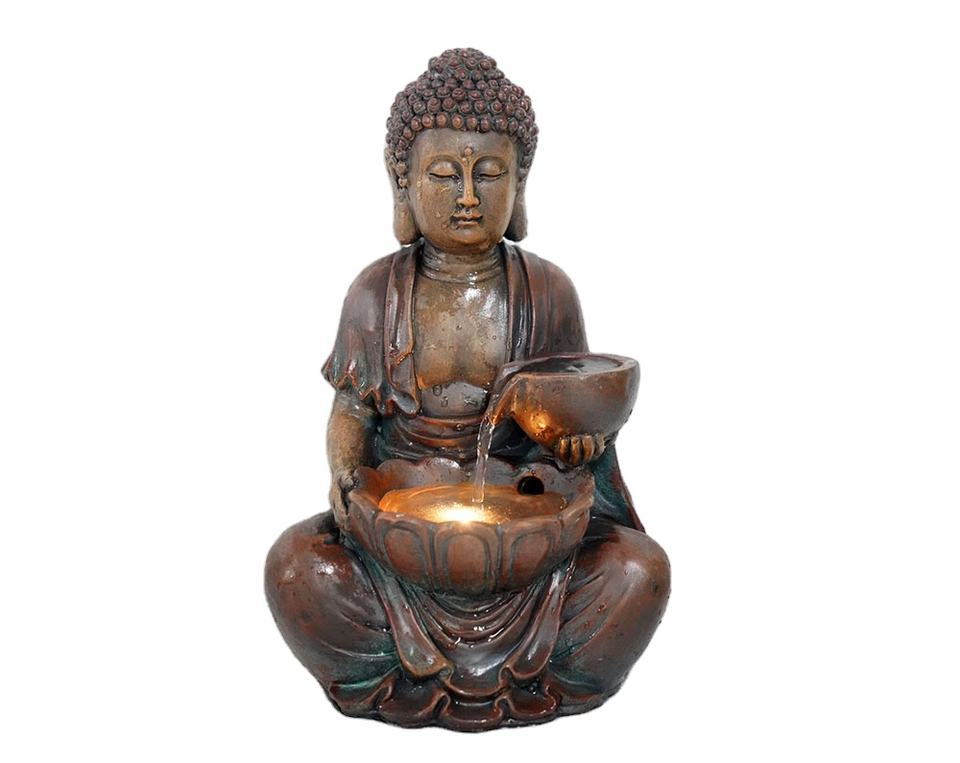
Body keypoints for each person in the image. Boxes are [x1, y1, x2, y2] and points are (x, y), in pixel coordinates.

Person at [265, 49, 670, 731]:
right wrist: (344, 474)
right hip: (401, 542)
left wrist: (576, 447)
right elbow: (351, 411)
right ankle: (394, 669)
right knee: (296, 568)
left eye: (488, 174)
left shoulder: (548, 292)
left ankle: (540, 670)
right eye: (443, 175)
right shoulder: (375, 293)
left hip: (527, 541)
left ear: (521, 182)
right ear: (402, 183)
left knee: (638, 571)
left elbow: (569, 415)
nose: (468, 197)